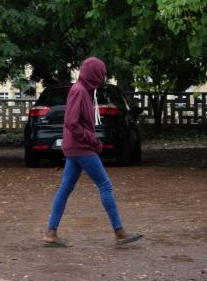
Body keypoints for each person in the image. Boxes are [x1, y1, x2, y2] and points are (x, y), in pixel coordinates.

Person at [43, 57, 142, 248]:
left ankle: (50, 232)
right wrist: (92, 139)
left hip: (75, 147)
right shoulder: (80, 91)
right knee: (105, 185)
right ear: (94, 74)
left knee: (65, 189)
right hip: (81, 147)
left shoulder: (83, 90)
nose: (103, 78)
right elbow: (71, 122)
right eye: (101, 74)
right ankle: (119, 232)